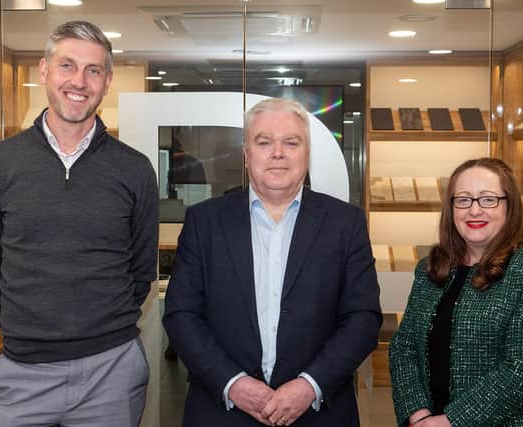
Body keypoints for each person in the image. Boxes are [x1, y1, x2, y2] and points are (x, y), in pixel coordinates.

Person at [0, 21, 158, 427]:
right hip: (22, 371)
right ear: (44, 71)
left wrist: (100, 327)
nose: (80, 81)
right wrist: (29, 327)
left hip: (111, 372)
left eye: (93, 70)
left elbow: (142, 270)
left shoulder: (135, 170)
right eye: (67, 66)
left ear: (107, 81)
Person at [163, 97, 382, 426]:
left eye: (291, 142)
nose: (278, 153)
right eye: (264, 142)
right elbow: (181, 315)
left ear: (306, 153)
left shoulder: (345, 224)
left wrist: (308, 386)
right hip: (221, 411)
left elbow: (362, 319)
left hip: (318, 413)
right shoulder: (204, 222)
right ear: (246, 154)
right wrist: (234, 384)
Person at [389, 158, 523, 427]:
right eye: (464, 200)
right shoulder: (431, 267)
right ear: (451, 208)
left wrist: (450, 422)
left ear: (510, 206)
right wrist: (419, 415)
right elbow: (404, 347)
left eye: (488, 199)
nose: (474, 210)